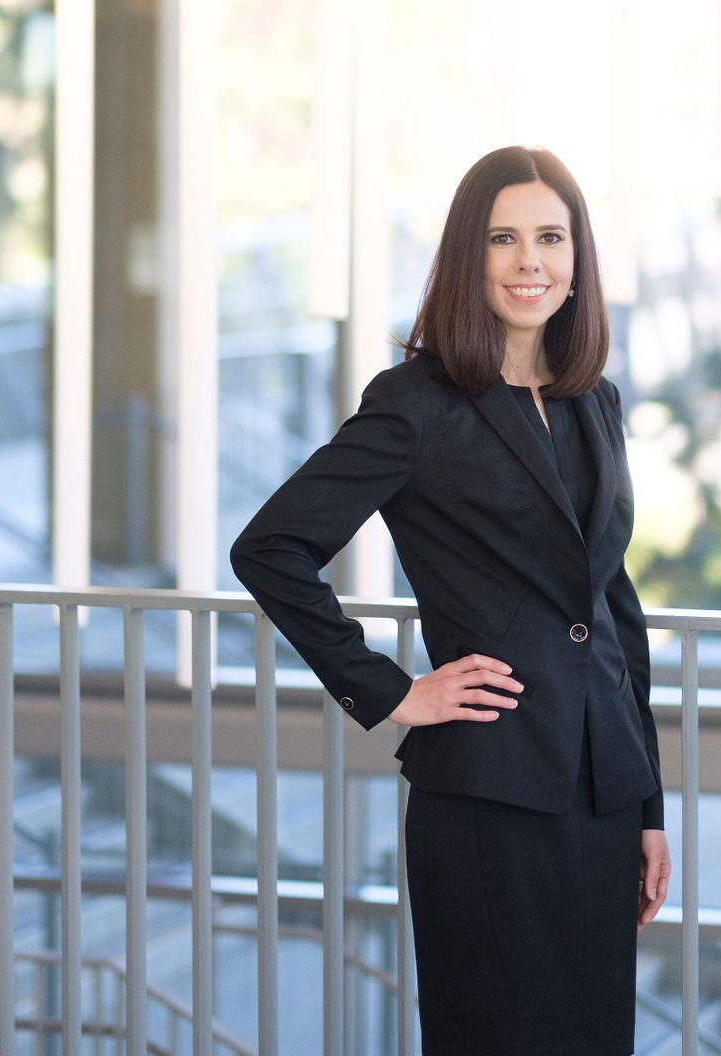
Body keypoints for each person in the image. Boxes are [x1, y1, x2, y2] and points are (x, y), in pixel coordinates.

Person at [231, 145, 671, 1056]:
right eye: (504, 239)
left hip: (600, 801)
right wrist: (393, 692)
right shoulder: (418, 404)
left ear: (578, 258)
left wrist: (648, 806)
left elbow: (614, 612)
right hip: (488, 798)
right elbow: (270, 548)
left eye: (551, 238)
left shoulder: (596, 401)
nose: (529, 262)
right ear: (470, 256)